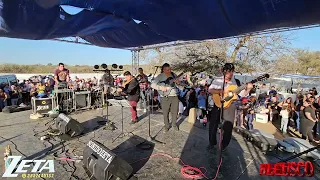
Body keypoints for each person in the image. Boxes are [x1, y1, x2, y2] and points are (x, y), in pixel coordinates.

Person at [207, 63, 252, 152]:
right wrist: (220, 91)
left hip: (230, 106)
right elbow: (210, 90)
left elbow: (243, 94)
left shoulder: (236, 82)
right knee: (213, 125)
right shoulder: (218, 80)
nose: (230, 74)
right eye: (228, 72)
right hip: (218, 104)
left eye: (231, 72)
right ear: (224, 71)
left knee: (228, 127)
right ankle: (212, 143)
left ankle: (224, 145)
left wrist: (249, 88)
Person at [151, 63, 182, 132]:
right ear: (164, 70)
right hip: (165, 97)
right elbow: (152, 85)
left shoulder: (174, 75)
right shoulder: (160, 76)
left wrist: (178, 83)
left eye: (170, 69)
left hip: (174, 96)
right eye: (167, 70)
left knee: (175, 111)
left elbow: (180, 87)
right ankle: (167, 126)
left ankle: (174, 124)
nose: (169, 71)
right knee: (165, 112)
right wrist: (161, 88)